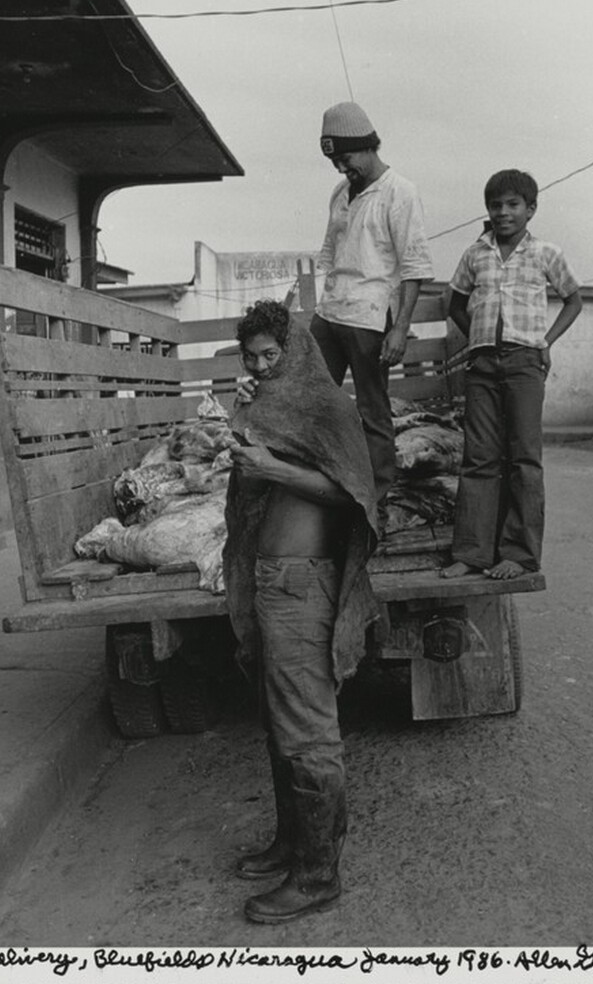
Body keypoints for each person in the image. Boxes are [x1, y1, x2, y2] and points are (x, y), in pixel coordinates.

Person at [222, 300, 379, 925]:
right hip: (266, 579)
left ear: (299, 350)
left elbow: (352, 495)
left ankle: (318, 875)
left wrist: (275, 469)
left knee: (307, 727)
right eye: (253, 356)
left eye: (272, 354)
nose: (263, 364)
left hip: (302, 582)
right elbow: (243, 473)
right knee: (277, 718)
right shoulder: (268, 403)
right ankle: (292, 844)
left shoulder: (328, 407)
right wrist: (243, 412)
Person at [442, 169, 582, 581]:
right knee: (479, 457)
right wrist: (479, 338)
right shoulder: (475, 254)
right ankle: (472, 553)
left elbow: (573, 300)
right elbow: (455, 303)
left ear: (531, 209)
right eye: (495, 205)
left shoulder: (545, 254)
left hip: (525, 363)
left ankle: (519, 555)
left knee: (523, 458)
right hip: (482, 364)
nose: (503, 213)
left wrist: (545, 342)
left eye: (512, 205)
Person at [312, 101, 435, 525]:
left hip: (369, 316)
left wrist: (400, 329)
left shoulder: (400, 192)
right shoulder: (339, 193)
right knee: (316, 401)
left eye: (345, 158)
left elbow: (415, 267)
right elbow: (328, 253)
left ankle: (376, 496)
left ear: (367, 147)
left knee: (372, 408)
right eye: (334, 161)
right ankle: (319, 483)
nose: (341, 168)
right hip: (330, 313)